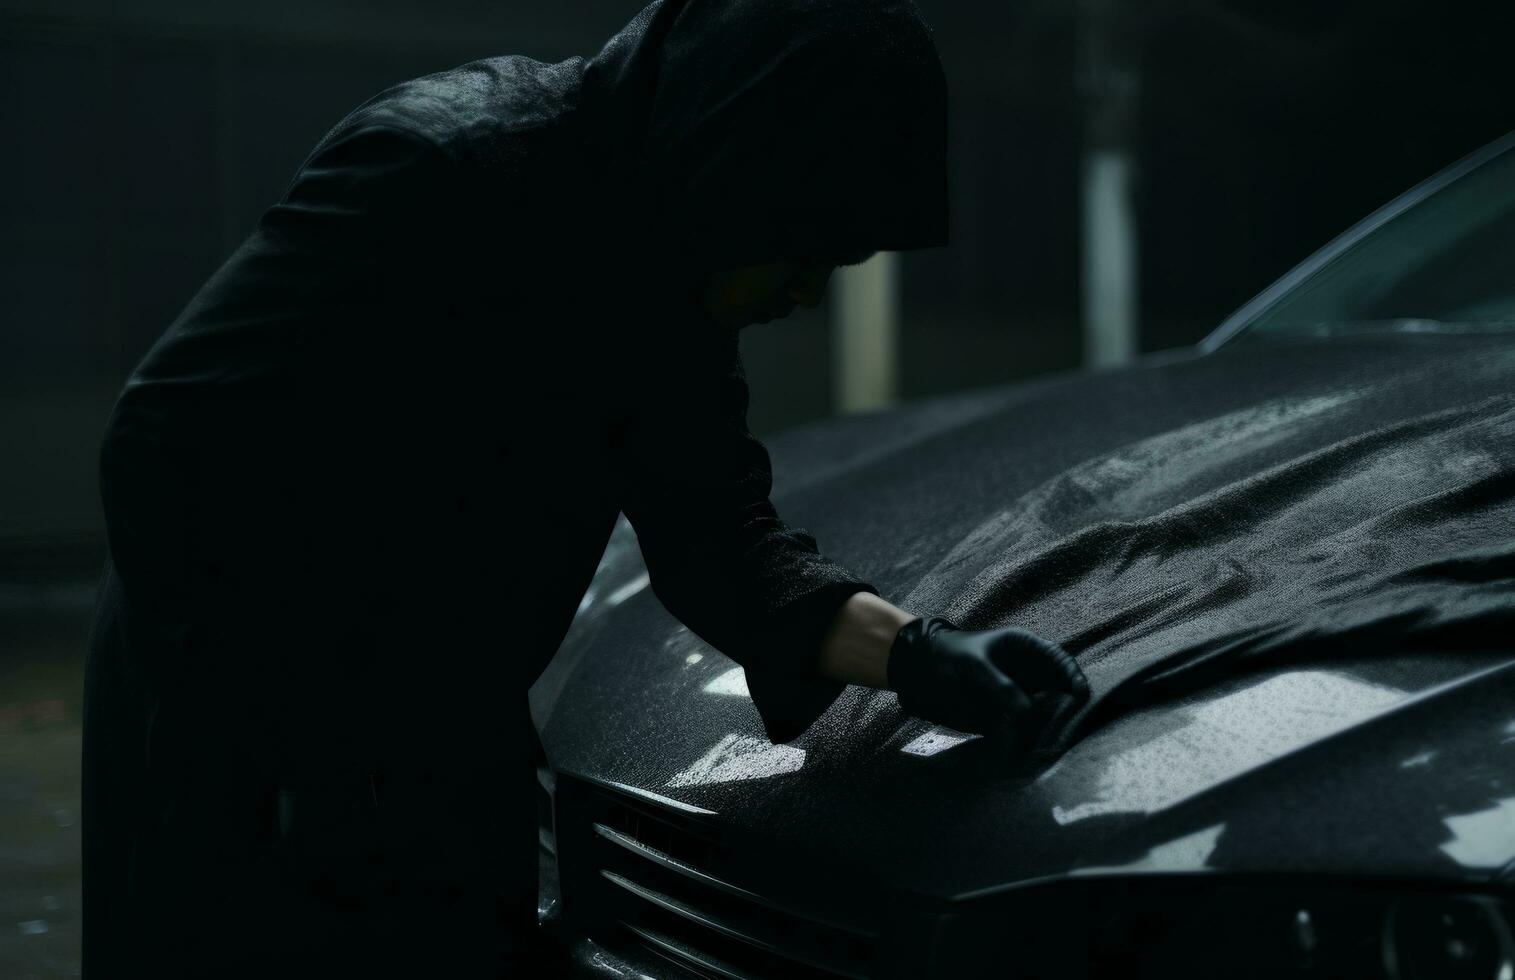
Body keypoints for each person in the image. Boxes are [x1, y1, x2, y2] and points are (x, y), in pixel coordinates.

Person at [82, 0, 1088, 975]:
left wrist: (918, 654)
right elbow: (168, 441)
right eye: (808, 245)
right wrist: (290, 739)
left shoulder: (669, 270)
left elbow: (725, 547)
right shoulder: (440, 172)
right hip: (230, 708)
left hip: (432, 717)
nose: (807, 292)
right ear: (738, 168)